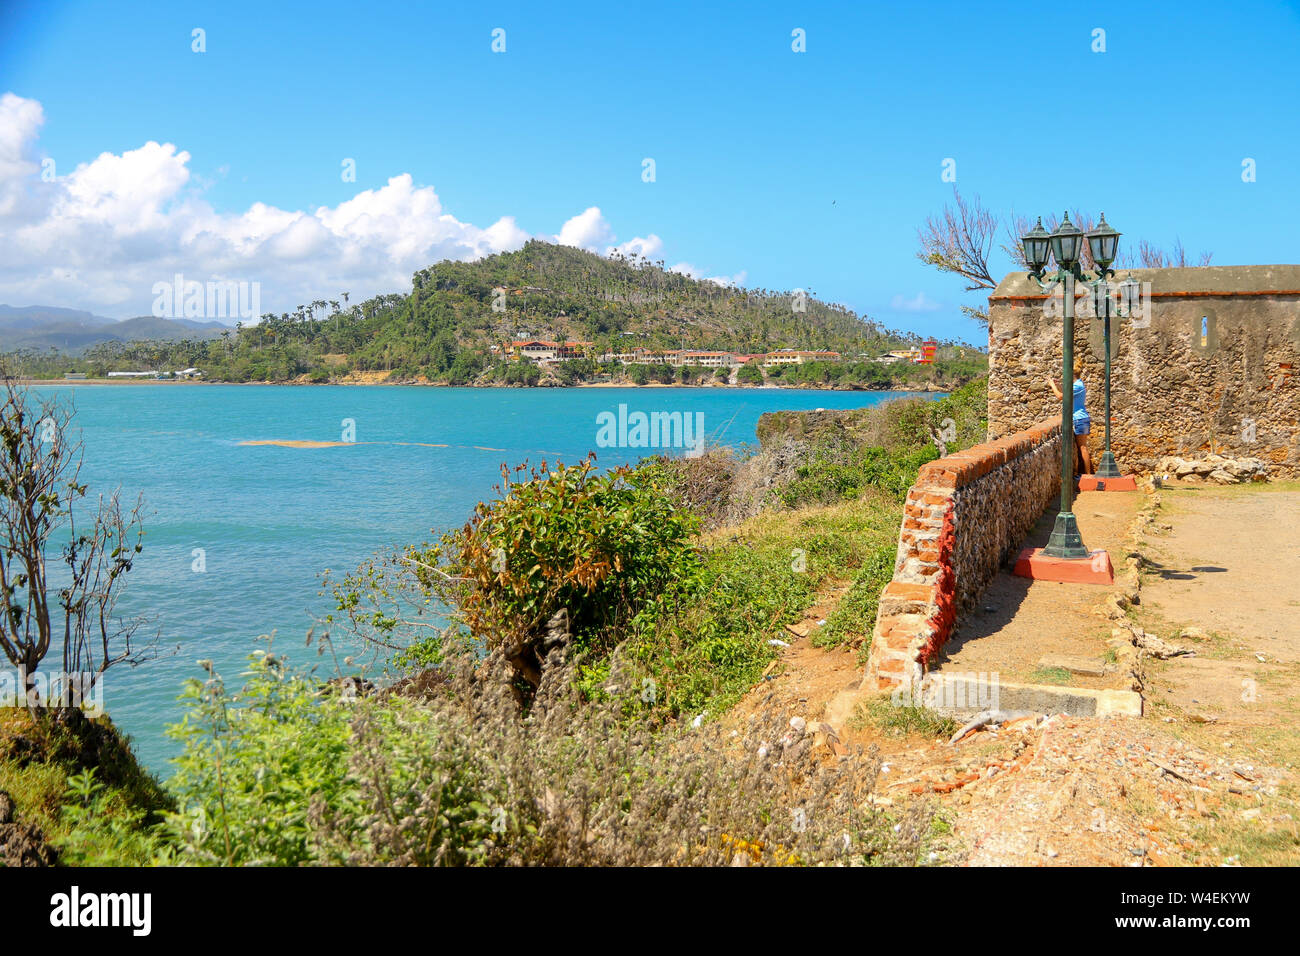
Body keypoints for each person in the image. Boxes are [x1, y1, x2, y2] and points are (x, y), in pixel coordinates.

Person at [1047, 357, 1093, 477]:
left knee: (1082, 448)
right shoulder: (1078, 384)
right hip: (1080, 418)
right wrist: (1059, 385)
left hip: (1079, 419)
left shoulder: (1077, 386)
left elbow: (1061, 397)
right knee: (1079, 448)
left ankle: (1087, 475)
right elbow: (1067, 392)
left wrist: (1052, 385)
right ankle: (1080, 473)